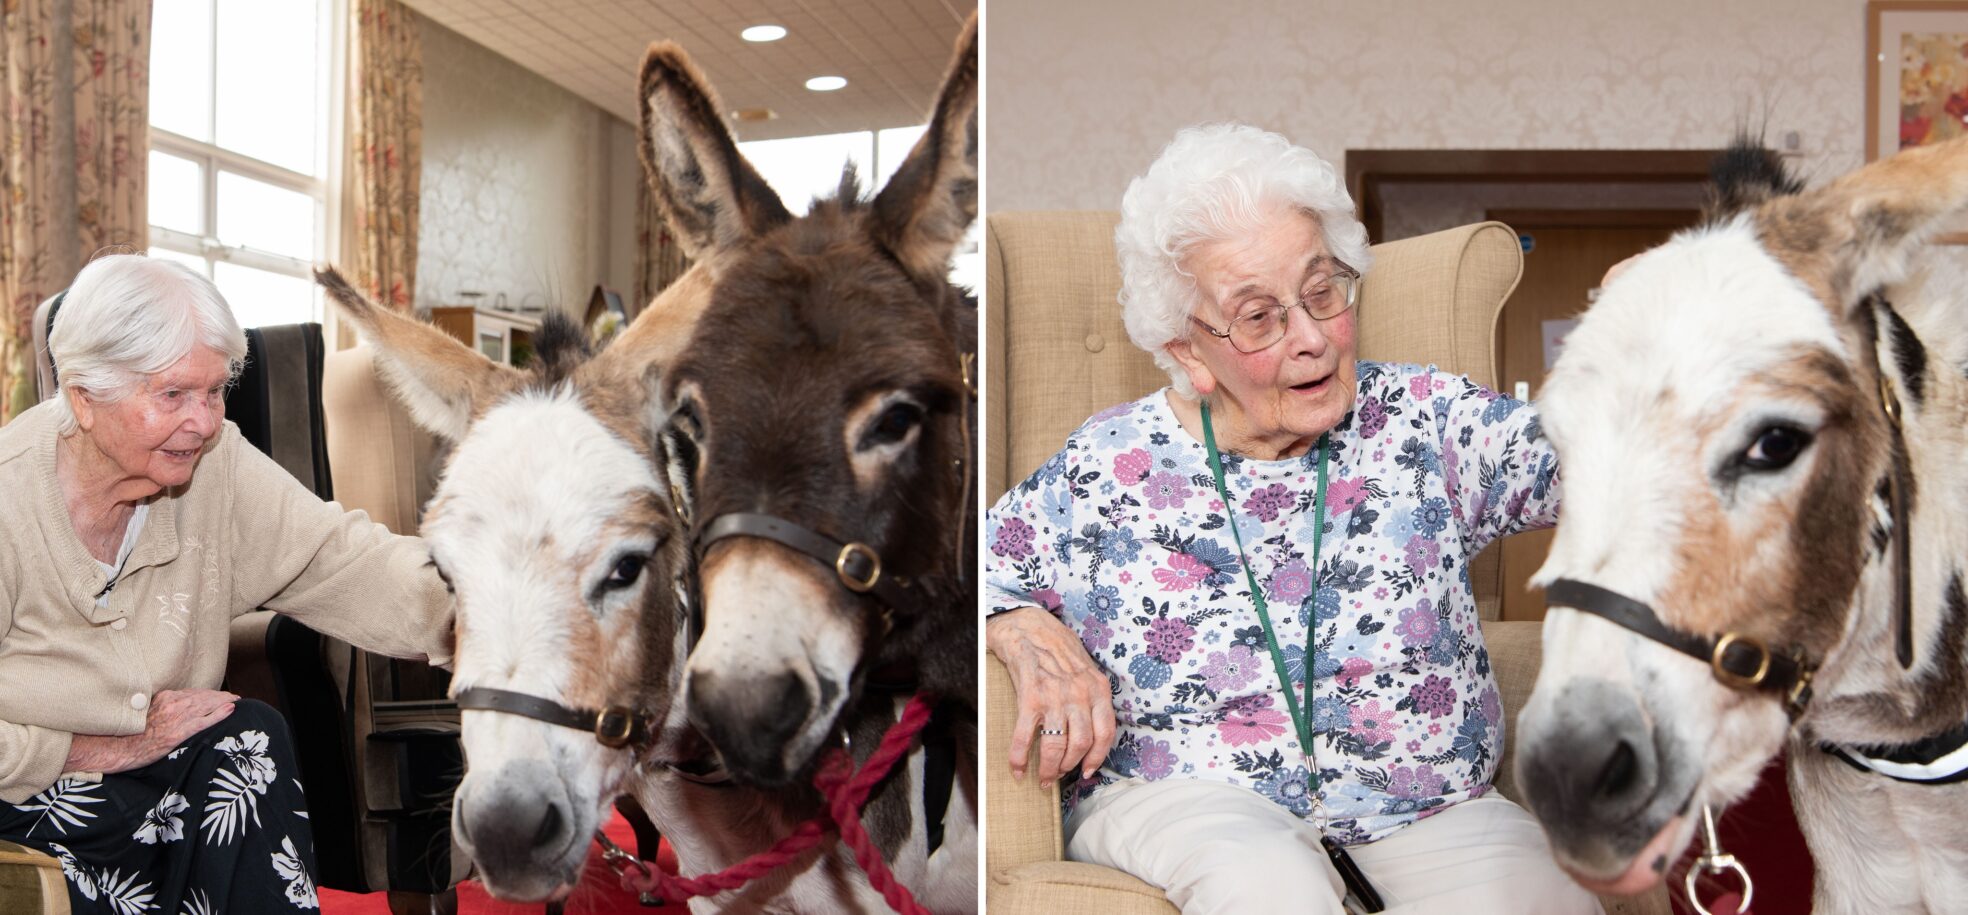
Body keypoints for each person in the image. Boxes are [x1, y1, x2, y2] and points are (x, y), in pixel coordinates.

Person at [983, 124, 1595, 914]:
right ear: (1190, 351)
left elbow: (1580, 461)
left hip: (1426, 808)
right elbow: (968, 566)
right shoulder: (1107, 466)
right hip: (1189, 800)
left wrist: (1649, 344)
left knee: (1543, 891)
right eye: (1260, 317)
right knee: (1270, 885)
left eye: (1321, 293)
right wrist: (1019, 624)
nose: (1312, 339)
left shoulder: (1421, 420)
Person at [0, 254, 454, 913]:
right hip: (24, 788)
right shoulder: (9, 498)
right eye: (175, 395)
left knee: (248, 734)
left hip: (153, 779)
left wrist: (502, 604)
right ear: (84, 398)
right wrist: (90, 747)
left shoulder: (212, 465)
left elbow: (346, 560)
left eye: (215, 391)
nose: (206, 421)